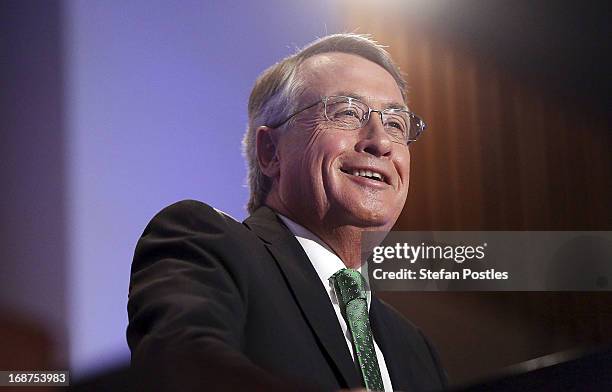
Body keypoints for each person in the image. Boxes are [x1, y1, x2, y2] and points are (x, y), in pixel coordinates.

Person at [127, 33, 447, 392]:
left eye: (396, 124)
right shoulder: (206, 242)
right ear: (270, 152)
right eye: (346, 112)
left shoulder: (416, 349)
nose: (381, 141)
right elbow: (179, 365)